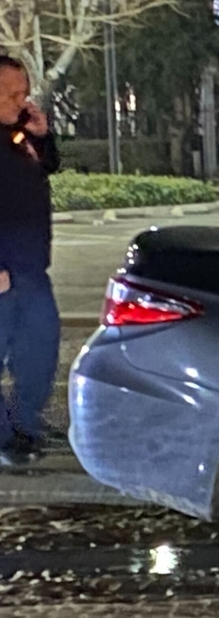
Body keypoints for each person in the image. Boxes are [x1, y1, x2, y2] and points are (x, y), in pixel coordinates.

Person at [0, 56, 61, 465]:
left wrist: (42, 137)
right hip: (3, 269)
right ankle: (8, 438)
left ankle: (24, 424)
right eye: (11, 94)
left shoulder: (19, 134)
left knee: (39, 348)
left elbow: (48, 168)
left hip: (31, 264)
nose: (21, 101)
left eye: (24, 93)